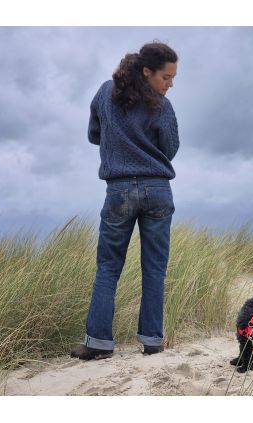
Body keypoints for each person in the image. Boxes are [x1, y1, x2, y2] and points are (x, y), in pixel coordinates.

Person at [70, 41, 180, 360]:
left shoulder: (106, 92)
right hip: (157, 189)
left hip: (118, 190)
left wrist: (119, 142)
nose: (170, 84)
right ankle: (152, 341)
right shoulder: (161, 105)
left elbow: (94, 133)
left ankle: (98, 343)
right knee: (154, 268)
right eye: (166, 77)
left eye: (173, 78)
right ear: (147, 71)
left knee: (108, 267)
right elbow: (169, 148)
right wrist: (143, 148)